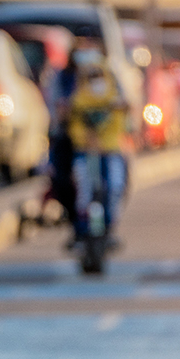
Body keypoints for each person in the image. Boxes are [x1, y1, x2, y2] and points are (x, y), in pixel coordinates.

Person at [67, 44, 128, 246]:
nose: (96, 81)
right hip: (86, 153)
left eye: (98, 76)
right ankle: (82, 229)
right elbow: (74, 128)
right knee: (84, 189)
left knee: (116, 185)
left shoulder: (114, 100)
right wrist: (86, 140)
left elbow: (120, 126)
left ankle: (109, 227)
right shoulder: (77, 103)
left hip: (109, 152)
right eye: (91, 77)